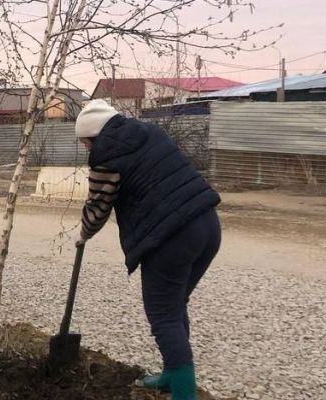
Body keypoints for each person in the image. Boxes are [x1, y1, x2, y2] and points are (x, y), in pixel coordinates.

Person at [74, 100, 222, 400]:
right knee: (174, 304)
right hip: (207, 225)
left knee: (163, 314)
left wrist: (84, 234)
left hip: (173, 237)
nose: (87, 150)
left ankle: (184, 395)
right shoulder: (148, 132)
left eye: (85, 144)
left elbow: (99, 205)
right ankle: (171, 376)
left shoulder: (107, 155)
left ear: (93, 137)